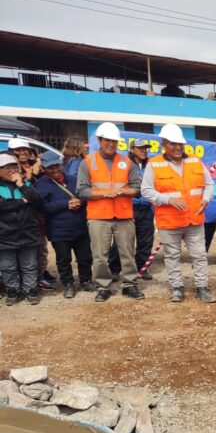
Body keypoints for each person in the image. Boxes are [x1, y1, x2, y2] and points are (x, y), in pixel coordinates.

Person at [141, 123, 216, 303]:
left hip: (194, 219)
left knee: (199, 255)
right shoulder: (154, 164)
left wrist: (206, 199)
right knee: (172, 256)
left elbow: (209, 184)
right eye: (173, 144)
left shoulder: (195, 161)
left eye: (180, 144)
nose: (177, 147)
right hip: (169, 221)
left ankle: (202, 287)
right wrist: (168, 200)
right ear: (164, 144)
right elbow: (145, 190)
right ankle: (176, 287)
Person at [76, 122, 144, 302]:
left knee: (128, 253)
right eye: (107, 141)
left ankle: (130, 285)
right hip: (98, 216)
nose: (111, 144)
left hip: (124, 215)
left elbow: (137, 188)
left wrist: (125, 191)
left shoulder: (126, 162)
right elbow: (81, 191)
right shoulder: (88, 162)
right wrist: (102, 194)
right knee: (99, 256)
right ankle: (103, 286)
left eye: (114, 141)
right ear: (99, 140)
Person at [36, 151, 95, 299]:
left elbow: (86, 194)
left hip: (80, 226)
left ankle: (85, 280)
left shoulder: (73, 179)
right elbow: (42, 207)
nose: (55, 170)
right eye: (51, 168)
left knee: (85, 256)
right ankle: (68, 284)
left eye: (57, 166)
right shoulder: (41, 185)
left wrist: (80, 201)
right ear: (43, 168)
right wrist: (65, 204)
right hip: (58, 230)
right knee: (63, 259)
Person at [0, 152, 44, 305]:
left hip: (28, 233)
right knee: (7, 266)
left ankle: (30, 289)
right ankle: (13, 290)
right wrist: (23, 201)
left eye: (14, 166)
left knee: (30, 265)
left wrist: (22, 186)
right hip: (5, 235)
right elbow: (2, 206)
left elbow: (37, 201)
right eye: (6, 167)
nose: (12, 170)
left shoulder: (25, 184)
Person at [108, 138, 155, 280]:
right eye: (140, 148)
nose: (144, 151)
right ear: (132, 149)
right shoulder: (124, 164)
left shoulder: (151, 164)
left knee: (146, 240)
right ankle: (114, 268)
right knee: (122, 240)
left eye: (145, 148)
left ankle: (142, 267)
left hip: (147, 207)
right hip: (129, 206)